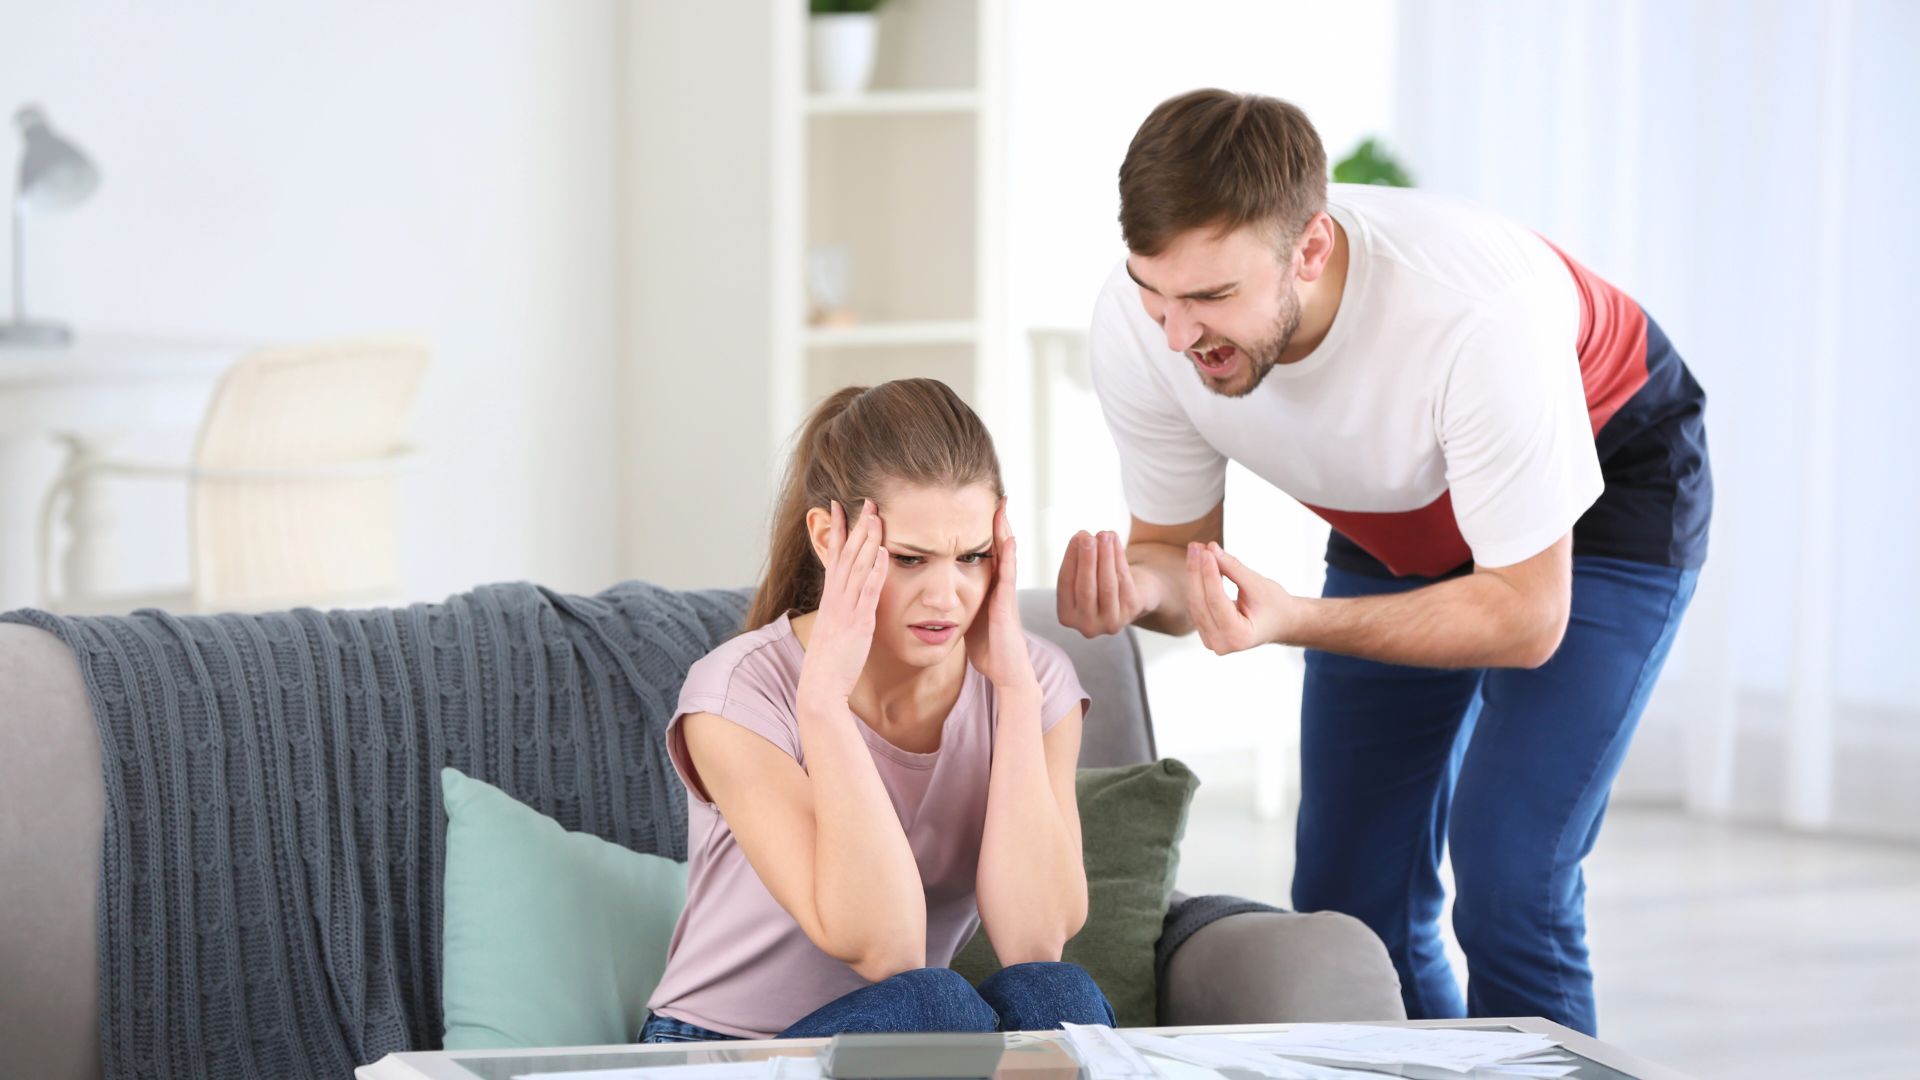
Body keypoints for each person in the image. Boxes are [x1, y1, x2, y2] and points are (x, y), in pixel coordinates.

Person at [1055, 90, 1710, 1036]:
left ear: (1310, 251)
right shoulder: (1143, 325)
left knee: (1511, 873)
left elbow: (1526, 617)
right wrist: (1135, 590)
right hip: (1401, 507)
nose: (1175, 335)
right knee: (1350, 895)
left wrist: (1295, 620)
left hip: (1610, 485)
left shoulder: (1474, 313)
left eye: (1210, 298)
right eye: (1154, 290)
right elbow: (1169, 552)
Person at [643, 378, 1113, 1043]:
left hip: (910, 1052)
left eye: (972, 556)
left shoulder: (1034, 682)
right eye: (911, 560)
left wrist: (1013, 693)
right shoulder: (737, 694)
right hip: (727, 1051)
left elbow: (1035, 941)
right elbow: (886, 950)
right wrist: (825, 704)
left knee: (1056, 992)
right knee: (931, 1005)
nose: (946, 596)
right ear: (830, 539)